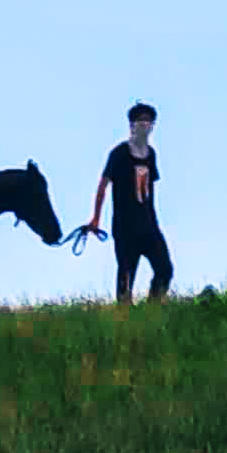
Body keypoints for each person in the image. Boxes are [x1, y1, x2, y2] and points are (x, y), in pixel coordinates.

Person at [84, 101, 172, 305]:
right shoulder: (119, 153)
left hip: (149, 225)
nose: (145, 125)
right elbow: (103, 184)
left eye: (149, 121)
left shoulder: (151, 155)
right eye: (140, 121)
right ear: (131, 125)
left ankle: (153, 308)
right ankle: (124, 316)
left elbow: (151, 191)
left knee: (165, 269)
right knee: (126, 275)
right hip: (125, 226)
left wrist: (154, 221)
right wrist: (96, 218)